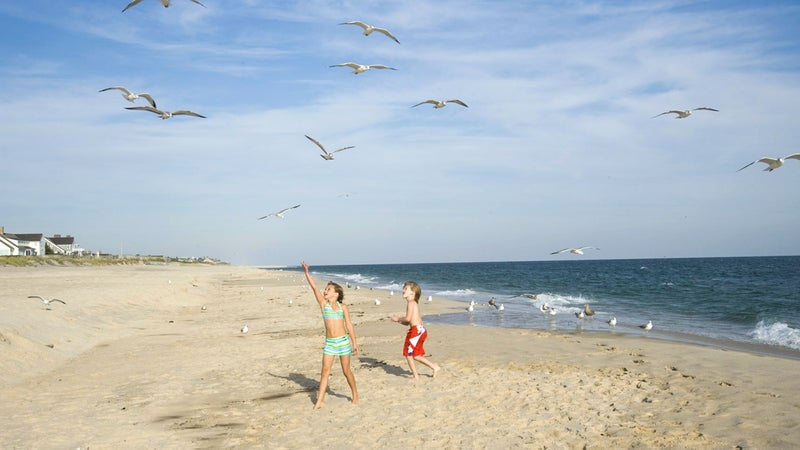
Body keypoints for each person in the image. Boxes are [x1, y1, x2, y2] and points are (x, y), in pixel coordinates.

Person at [302, 261, 359, 409]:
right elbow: (314, 287)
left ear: (336, 293)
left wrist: (354, 343)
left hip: (343, 343)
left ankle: (355, 394)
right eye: (325, 289)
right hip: (330, 344)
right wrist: (307, 273)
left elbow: (349, 325)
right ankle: (319, 401)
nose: (325, 291)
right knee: (324, 372)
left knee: (346, 371)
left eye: (328, 289)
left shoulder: (343, 307)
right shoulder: (323, 304)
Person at [391, 281, 441, 381]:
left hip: (416, 331)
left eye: (406, 289)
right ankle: (435, 367)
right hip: (419, 330)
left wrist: (398, 319)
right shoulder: (413, 303)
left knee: (408, 354)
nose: (403, 290)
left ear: (412, 292)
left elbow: (408, 319)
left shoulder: (411, 303)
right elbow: (407, 322)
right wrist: (399, 321)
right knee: (416, 355)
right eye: (403, 288)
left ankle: (416, 376)